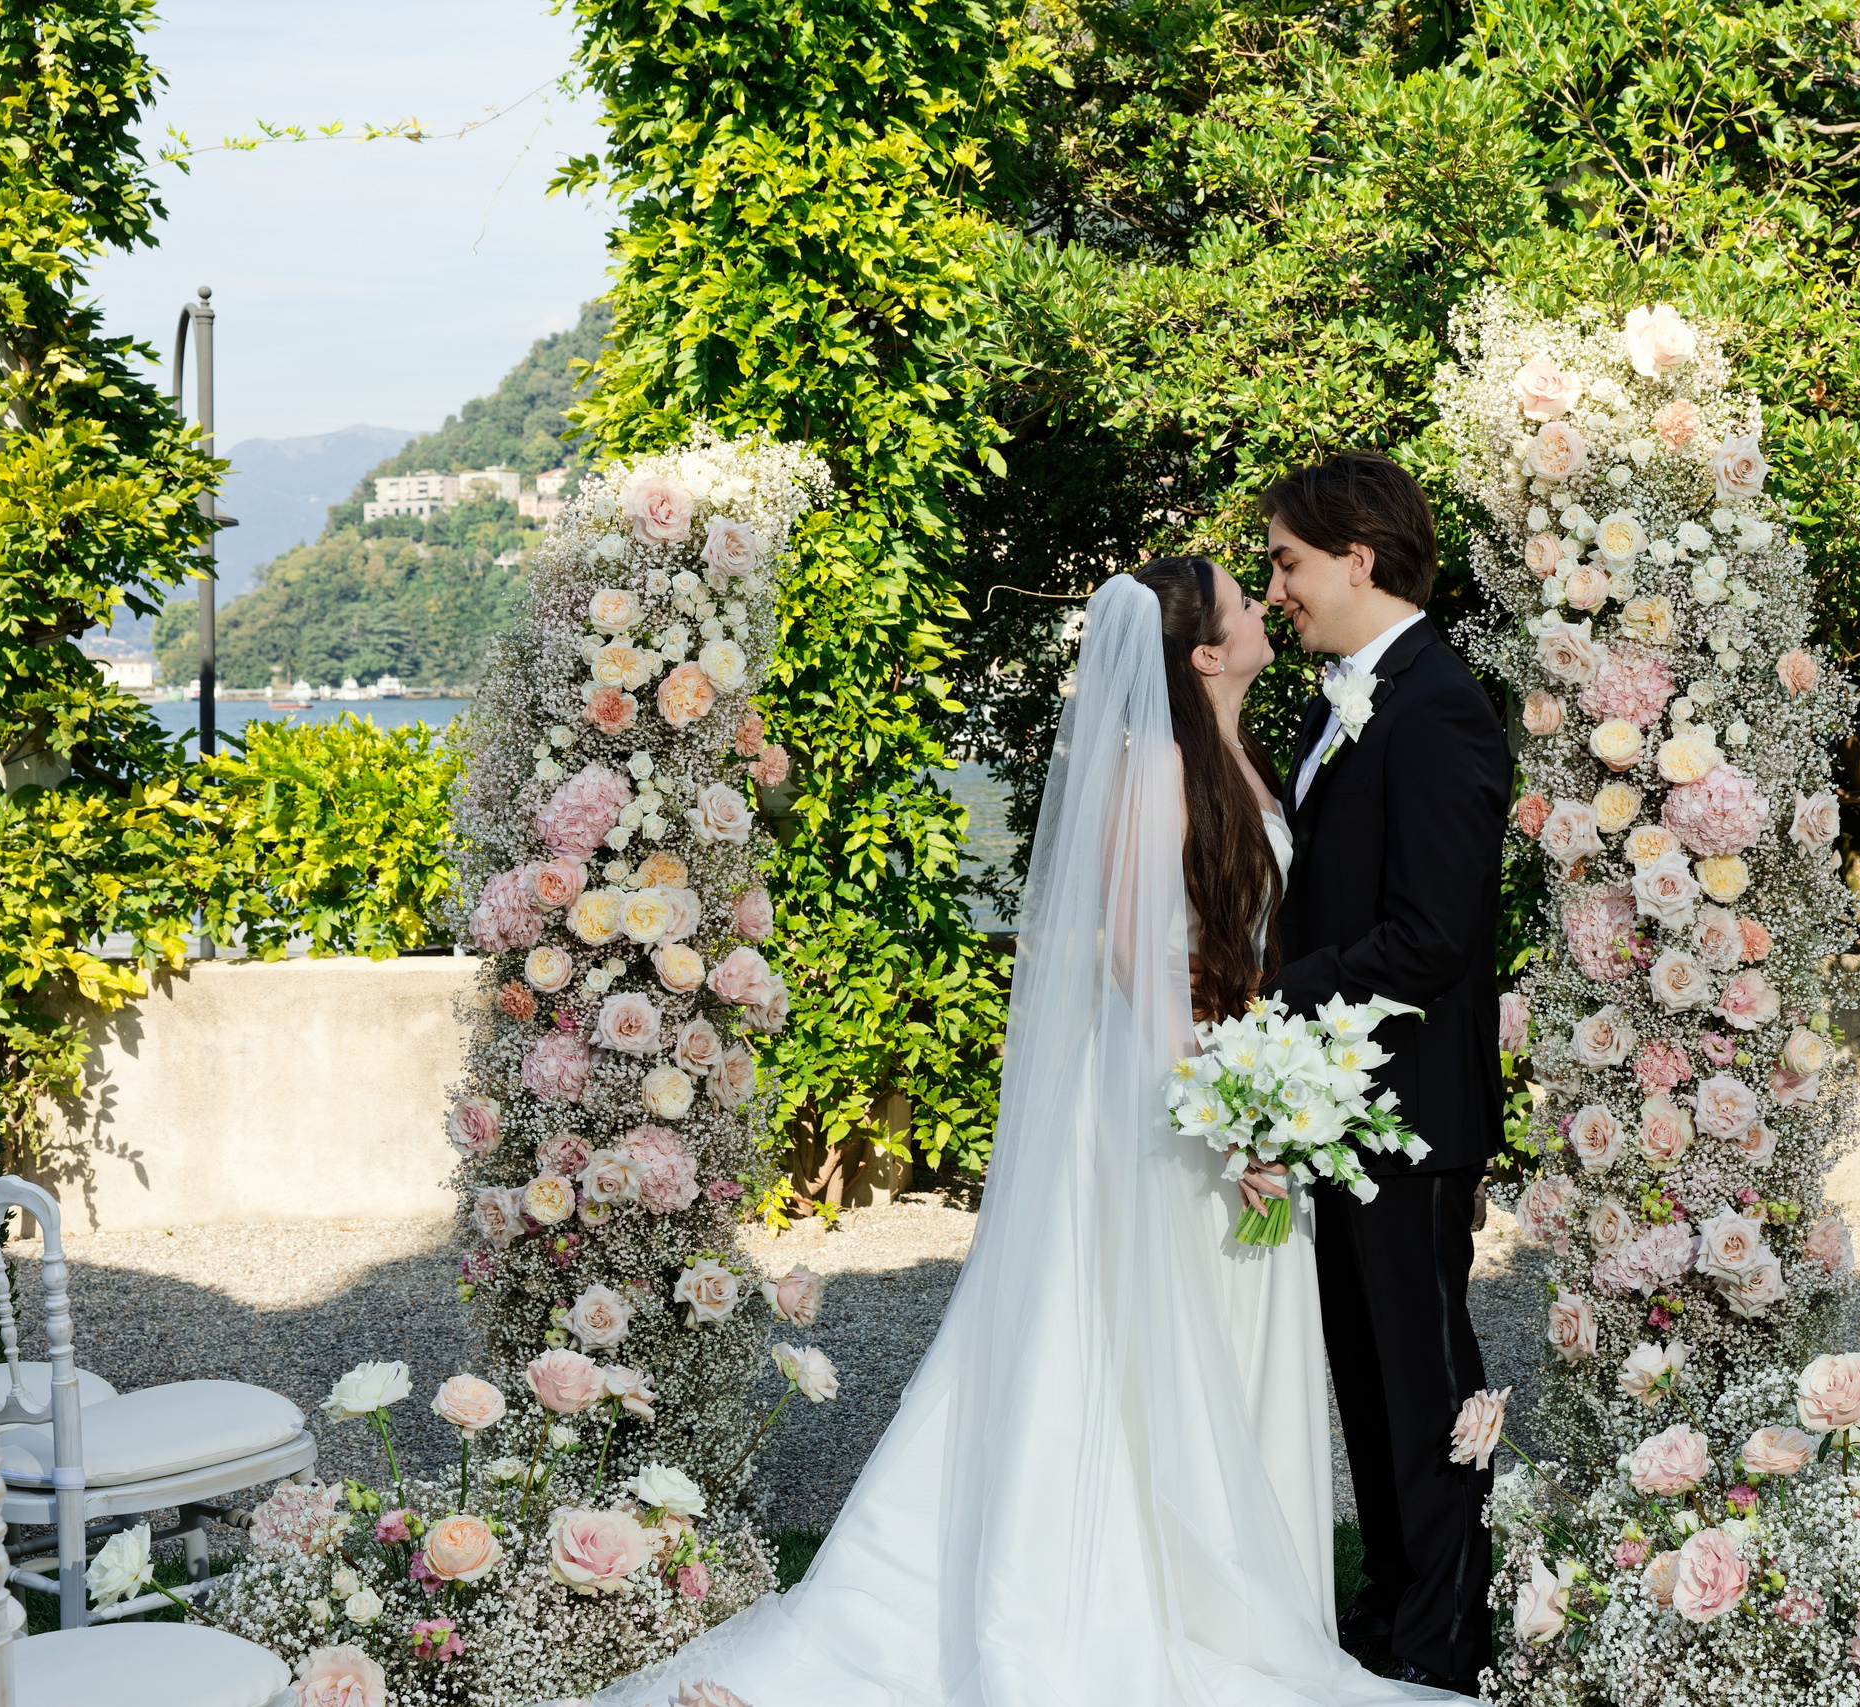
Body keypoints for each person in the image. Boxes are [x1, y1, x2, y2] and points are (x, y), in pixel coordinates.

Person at [581, 561, 1455, 1705]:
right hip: (1173, 1105)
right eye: (1244, 601)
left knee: (1221, 1345)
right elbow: (1146, 971)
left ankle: (1232, 1595)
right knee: (1112, 1344)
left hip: (1242, 1094)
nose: (1262, 609)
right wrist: (1239, 1117)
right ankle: (1109, 1598)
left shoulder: (1248, 759)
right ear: (1202, 652)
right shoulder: (1151, 773)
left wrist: (1275, 1093)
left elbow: (1252, 956)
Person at [1262, 452, 1512, 1696]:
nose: (1275, 589)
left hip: (1414, 1109)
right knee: (1366, 1374)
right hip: (1342, 1103)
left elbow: (1434, 934)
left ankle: (1445, 1644)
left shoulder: (1439, 707)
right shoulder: (1342, 700)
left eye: (1288, 562)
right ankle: (1398, 1607)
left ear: (1358, 557)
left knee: (1424, 1375)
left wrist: (1269, 1000)